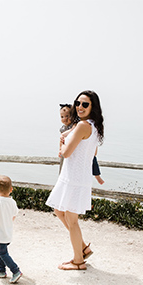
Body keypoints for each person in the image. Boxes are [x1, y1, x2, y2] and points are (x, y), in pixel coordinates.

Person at [46, 90, 105, 270]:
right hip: (73, 176)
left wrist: (62, 145)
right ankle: (83, 248)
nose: (80, 107)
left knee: (72, 220)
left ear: (92, 107)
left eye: (85, 104)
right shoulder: (92, 126)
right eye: (78, 103)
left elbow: (67, 153)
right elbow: (90, 151)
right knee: (58, 210)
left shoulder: (83, 126)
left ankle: (78, 260)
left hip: (74, 178)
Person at [59, 103, 104, 185]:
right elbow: (62, 140)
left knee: (93, 159)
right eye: (62, 117)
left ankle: (97, 175)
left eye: (67, 116)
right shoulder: (63, 128)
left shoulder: (77, 125)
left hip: (79, 151)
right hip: (69, 152)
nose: (64, 119)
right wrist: (60, 150)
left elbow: (66, 136)